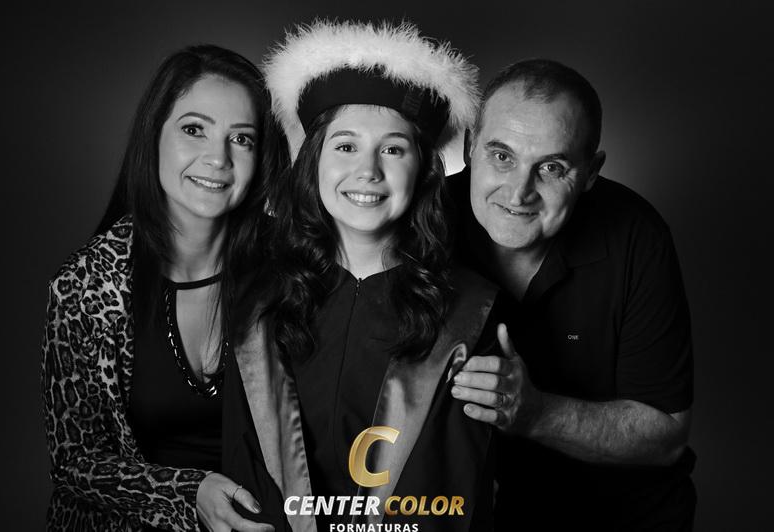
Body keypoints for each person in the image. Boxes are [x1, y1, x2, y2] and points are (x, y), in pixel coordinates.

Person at [223, 21, 500, 532]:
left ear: (424, 170)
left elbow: (454, 493)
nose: (368, 171)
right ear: (314, 161)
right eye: (345, 146)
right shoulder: (258, 304)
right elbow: (245, 474)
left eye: (393, 149)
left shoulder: (470, 313)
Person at [40, 45, 287, 532]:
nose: (217, 158)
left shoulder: (290, 267)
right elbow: (74, 462)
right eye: (194, 130)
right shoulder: (85, 285)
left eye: (241, 139)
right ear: (153, 135)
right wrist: (189, 491)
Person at [448, 59, 696, 530]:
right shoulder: (421, 222)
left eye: (551, 167)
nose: (518, 193)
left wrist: (534, 413)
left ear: (590, 173)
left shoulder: (637, 236)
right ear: (469, 147)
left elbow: (666, 435)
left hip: (617, 517)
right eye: (502, 157)